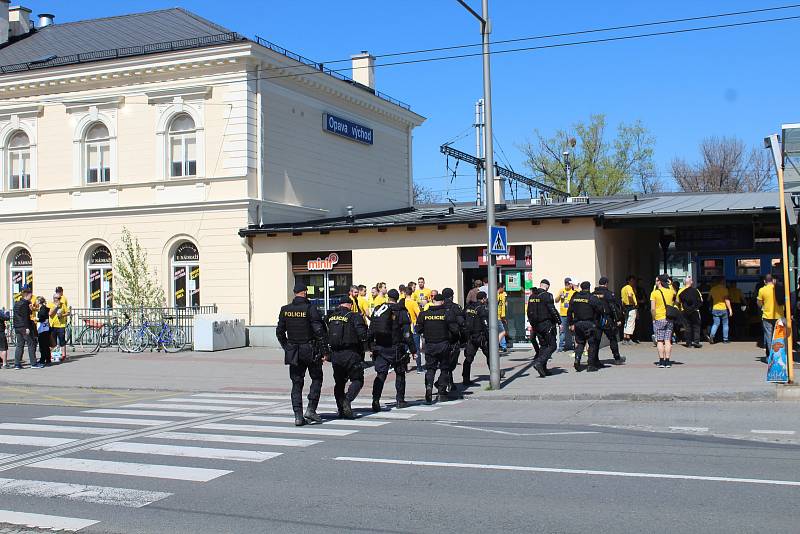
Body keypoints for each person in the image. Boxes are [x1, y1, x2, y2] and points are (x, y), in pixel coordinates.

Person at [276, 282, 328, 426]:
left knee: (296, 383)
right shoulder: (311, 308)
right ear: (305, 292)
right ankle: (311, 409)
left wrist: (287, 346)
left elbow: (279, 332)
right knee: (317, 378)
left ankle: (298, 416)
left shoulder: (285, 309)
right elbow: (319, 331)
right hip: (310, 350)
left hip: (294, 351)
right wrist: (325, 351)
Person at [369, 289, 416, 411]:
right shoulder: (401, 311)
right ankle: (400, 400)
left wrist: (370, 346)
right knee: (400, 374)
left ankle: (375, 399)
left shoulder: (379, 309)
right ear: (397, 298)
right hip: (396, 348)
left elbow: (371, 329)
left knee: (381, 374)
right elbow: (407, 333)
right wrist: (413, 349)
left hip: (380, 347)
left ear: (388, 297)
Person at [325, 297, 368, 419]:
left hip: (335, 355)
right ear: (350, 305)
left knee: (339, 383)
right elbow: (362, 335)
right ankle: (347, 400)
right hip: (351, 354)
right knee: (358, 380)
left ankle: (340, 409)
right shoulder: (354, 316)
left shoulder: (331, 317)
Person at [417, 293, 460, 402]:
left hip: (430, 345)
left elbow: (418, 329)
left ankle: (429, 387)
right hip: (443, 344)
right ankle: (441, 392)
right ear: (442, 302)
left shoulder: (424, 314)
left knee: (430, 369)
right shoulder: (447, 313)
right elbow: (455, 330)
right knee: (444, 369)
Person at [527, 279, 560, 377]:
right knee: (552, 345)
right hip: (546, 324)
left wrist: (533, 324)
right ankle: (539, 363)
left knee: (544, 346)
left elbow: (528, 311)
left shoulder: (532, 296)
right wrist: (559, 321)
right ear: (547, 286)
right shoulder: (547, 295)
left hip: (536, 325)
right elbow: (552, 309)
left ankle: (543, 369)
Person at [568, 281, 603, 372]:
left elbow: (569, 311)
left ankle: (577, 359)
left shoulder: (575, 297)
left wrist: (571, 323)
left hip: (578, 323)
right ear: (589, 287)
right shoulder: (592, 298)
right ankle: (590, 365)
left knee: (580, 343)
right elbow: (600, 310)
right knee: (592, 344)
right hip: (589, 324)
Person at [593, 277, 626, 365]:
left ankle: (595, 359)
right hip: (607, 319)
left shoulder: (593, 294)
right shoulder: (609, 294)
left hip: (596, 320)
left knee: (596, 340)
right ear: (606, 283)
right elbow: (613, 308)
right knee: (612, 338)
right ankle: (617, 358)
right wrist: (618, 319)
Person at [440, 287, 466, 393]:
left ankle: (448, 383)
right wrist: (463, 339)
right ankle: (443, 383)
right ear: (452, 296)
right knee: (451, 364)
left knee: (444, 363)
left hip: (439, 339)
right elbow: (462, 324)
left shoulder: (437, 307)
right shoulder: (456, 307)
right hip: (453, 340)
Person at [462, 291, 489, 386]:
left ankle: (465, 378)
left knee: (468, 358)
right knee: (490, 356)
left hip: (470, 337)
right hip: (481, 336)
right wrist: (489, 337)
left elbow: (463, 319)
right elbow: (485, 324)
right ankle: (495, 376)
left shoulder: (468, 308)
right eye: (485, 298)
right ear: (483, 299)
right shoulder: (482, 308)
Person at [651, 274, 676, 368]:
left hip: (659, 318)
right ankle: (668, 361)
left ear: (660, 282)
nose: (656, 282)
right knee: (668, 340)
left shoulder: (654, 293)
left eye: (657, 281)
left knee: (660, 341)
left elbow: (653, 309)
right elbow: (675, 295)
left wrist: (653, 318)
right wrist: (670, 284)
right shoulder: (670, 292)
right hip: (669, 319)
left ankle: (662, 361)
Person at [13, 286, 41, 369]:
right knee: (31, 343)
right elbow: (25, 317)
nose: (31, 297)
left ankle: (17, 364)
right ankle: (33, 363)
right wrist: (27, 328)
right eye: (30, 296)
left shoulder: (17, 303)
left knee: (19, 345)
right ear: (27, 295)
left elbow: (16, 316)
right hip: (24, 327)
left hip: (17, 327)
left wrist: (30, 309)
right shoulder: (25, 304)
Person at [757, 274, 784, 358]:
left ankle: (771, 357)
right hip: (779, 316)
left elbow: (759, 303)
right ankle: (779, 356)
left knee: (769, 337)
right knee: (779, 337)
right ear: (773, 280)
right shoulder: (779, 288)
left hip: (767, 317)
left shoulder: (762, 290)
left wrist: (762, 306)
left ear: (764, 281)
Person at [400, 285, 422, 372]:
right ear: (411, 293)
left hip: (404, 328)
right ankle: (419, 368)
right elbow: (419, 314)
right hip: (413, 327)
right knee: (416, 348)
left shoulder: (401, 302)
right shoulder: (413, 302)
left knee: (405, 347)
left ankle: (405, 368)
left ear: (404, 293)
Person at [677, 276, 703, 348]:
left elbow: (677, 302)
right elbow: (701, 300)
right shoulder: (696, 290)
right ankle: (696, 342)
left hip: (684, 311)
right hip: (695, 311)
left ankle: (688, 343)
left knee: (687, 327)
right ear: (691, 282)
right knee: (696, 326)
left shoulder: (680, 291)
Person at [708, 277, 732, 344]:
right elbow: (726, 300)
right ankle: (725, 339)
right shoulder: (724, 289)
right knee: (725, 324)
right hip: (723, 309)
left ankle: (712, 336)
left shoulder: (713, 289)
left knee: (715, 324)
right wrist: (730, 309)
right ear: (722, 282)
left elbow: (708, 298)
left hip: (715, 308)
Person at [49, 287, 70, 362]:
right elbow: (50, 314)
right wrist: (55, 307)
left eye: (59, 298)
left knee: (62, 341)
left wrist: (63, 315)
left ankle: (63, 355)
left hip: (61, 325)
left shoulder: (63, 304)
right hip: (53, 325)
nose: (59, 300)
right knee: (52, 342)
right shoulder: (50, 304)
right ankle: (52, 355)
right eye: (57, 298)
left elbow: (68, 312)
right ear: (54, 298)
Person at [556, 277, 576, 352]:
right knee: (562, 331)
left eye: (569, 283)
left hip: (572, 314)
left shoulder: (574, 291)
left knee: (573, 331)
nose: (567, 285)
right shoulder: (561, 290)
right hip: (563, 314)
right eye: (566, 283)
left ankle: (573, 346)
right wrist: (559, 296)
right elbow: (556, 300)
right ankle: (561, 347)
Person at [620, 275, 639, 345]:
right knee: (631, 322)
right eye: (632, 280)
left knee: (626, 322)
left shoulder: (623, 288)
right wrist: (633, 303)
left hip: (626, 307)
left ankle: (625, 337)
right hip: (631, 307)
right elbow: (630, 295)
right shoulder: (629, 287)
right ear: (629, 281)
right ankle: (628, 338)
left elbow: (622, 299)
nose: (634, 282)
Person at [35, 297, 52, 367]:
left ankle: (43, 359)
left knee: (43, 345)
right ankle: (48, 359)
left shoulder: (43, 309)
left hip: (43, 329)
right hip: (45, 328)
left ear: (39, 302)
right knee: (46, 345)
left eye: (36, 301)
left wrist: (36, 319)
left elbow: (42, 318)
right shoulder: (43, 308)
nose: (35, 302)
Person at [498, 284, 509, 350]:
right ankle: (502, 345)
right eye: (503, 288)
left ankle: (503, 345)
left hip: (500, 317)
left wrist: (503, 317)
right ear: (500, 288)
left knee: (501, 331)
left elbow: (502, 307)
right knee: (502, 331)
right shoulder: (496, 295)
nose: (504, 289)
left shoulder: (503, 294)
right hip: (497, 317)